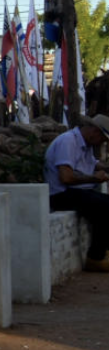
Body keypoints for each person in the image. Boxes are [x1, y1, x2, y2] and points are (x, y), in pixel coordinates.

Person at [45, 115, 109, 273]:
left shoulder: (85, 145)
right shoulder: (68, 142)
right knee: (104, 206)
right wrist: (94, 178)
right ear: (95, 132)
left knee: (102, 206)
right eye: (102, 139)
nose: (102, 143)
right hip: (61, 194)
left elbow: (92, 164)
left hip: (77, 192)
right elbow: (66, 177)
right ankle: (95, 258)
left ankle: (103, 251)